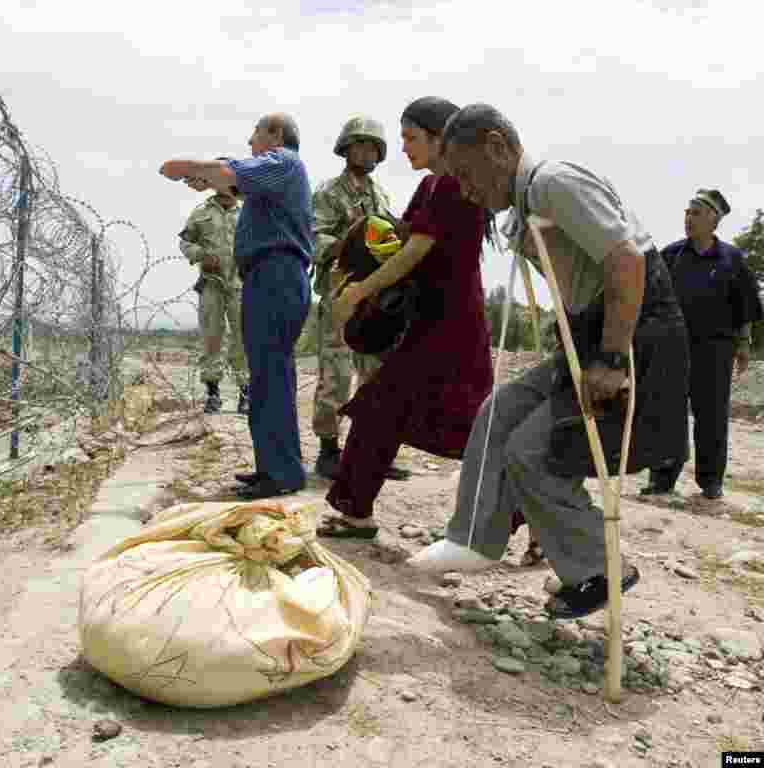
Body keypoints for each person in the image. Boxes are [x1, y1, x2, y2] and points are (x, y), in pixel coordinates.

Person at [407, 103, 691, 620]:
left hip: (633, 333)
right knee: (500, 412)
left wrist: (610, 358)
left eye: (467, 176)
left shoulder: (553, 183)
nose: (466, 192)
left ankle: (599, 569)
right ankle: (474, 538)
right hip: (588, 332)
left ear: (496, 145)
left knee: (533, 451)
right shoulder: (523, 204)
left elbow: (625, 259)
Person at [316, 97, 494, 539]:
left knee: (473, 432)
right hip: (427, 320)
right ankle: (355, 510)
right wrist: (360, 249)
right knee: (383, 410)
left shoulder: (453, 184)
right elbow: (401, 240)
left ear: (441, 139)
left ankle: (530, 518)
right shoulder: (430, 186)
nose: (404, 148)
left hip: (453, 326)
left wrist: (360, 292)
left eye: (412, 138)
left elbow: (419, 248)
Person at [160, 113, 313, 500]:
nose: (250, 142)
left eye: (256, 134)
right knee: (266, 376)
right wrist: (209, 177)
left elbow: (234, 169)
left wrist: (190, 167)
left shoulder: (283, 162)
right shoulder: (274, 179)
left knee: (271, 375)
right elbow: (235, 179)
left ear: (276, 135)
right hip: (267, 277)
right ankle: (275, 468)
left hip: (276, 274)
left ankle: (281, 474)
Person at [641, 189, 763, 500]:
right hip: (673, 346)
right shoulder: (670, 255)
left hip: (715, 349)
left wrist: (744, 344)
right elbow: (650, 298)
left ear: (713, 220)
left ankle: (711, 481)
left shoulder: (732, 259)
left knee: (711, 415)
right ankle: (662, 478)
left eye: (696, 213)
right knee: (667, 412)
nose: (688, 218)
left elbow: (745, 304)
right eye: (687, 212)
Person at [310, 115, 410, 481]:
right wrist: (348, 246)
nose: (365, 152)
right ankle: (328, 450)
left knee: (375, 375)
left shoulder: (380, 194)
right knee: (335, 372)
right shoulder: (328, 193)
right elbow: (313, 237)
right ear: (346, 148)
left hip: (374, 295)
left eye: (372, 147)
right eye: (359, 145)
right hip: (340, 291)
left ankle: (369, 449)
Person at [178, 173, 249, 415]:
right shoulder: (201, 212)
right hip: (212, 284)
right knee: (212, 337)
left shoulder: (248, 213)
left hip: (241, 284)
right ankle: (213, 394)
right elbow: (185, 242)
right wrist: (200, 255)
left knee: (243, 338)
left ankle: (245, 393)